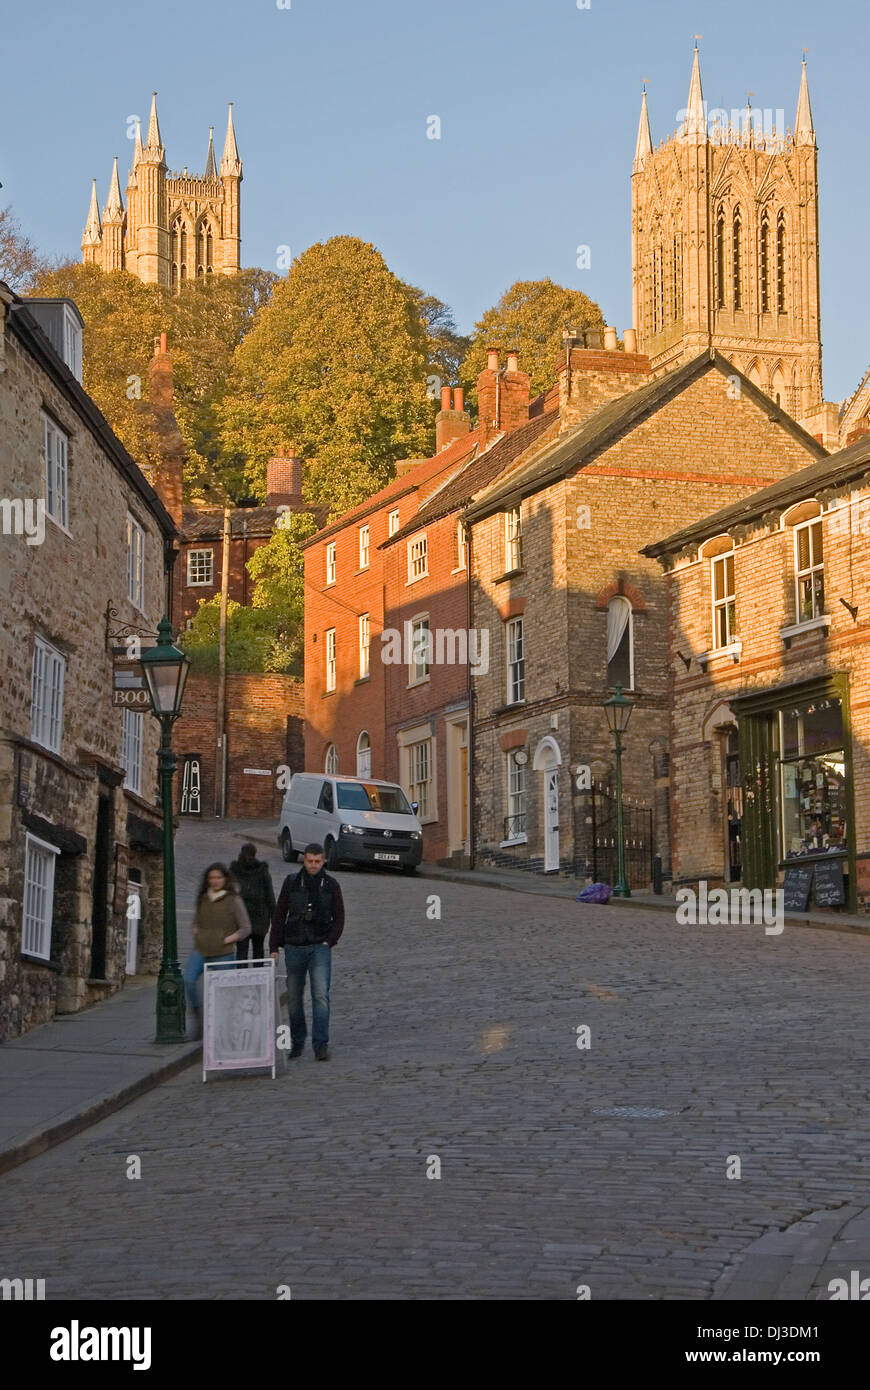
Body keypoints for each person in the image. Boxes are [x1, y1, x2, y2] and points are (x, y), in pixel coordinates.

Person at [269, 842, 344, 1060]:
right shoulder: (292, 882)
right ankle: (298, 1042)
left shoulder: (331, 885)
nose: (313, 865)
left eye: (317, 861)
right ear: (305, 860)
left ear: (323, 861)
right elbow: (280, 913)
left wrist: (329, 942)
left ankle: (320, 1045)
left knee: (320, 996)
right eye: (310, 861)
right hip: (294, 945)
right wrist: (274, 946)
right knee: (293, 998)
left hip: (319, 946)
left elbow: (339, 917)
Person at [184, 863, 252, 1039]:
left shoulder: (233, 900)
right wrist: (196, 930)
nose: (214, 881)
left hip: (223, 952)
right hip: (201, 950)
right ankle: (198, 1019)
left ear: (225, 879)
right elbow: (196, 920)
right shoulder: (203, 898)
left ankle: (229, 1030)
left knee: (226, 993)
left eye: (218, 878)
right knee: (189, 980)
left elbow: (245, 928)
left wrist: (227, 939)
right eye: (211, 878)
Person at [229, 843, 276, 965]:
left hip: (240, 917)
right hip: (260, 916)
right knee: (258, 949)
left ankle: (242, 978)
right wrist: (274, 917)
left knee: (241, 950)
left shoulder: (234, 871)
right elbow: (270, 896)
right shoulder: (262, 871)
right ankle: (258, 978)